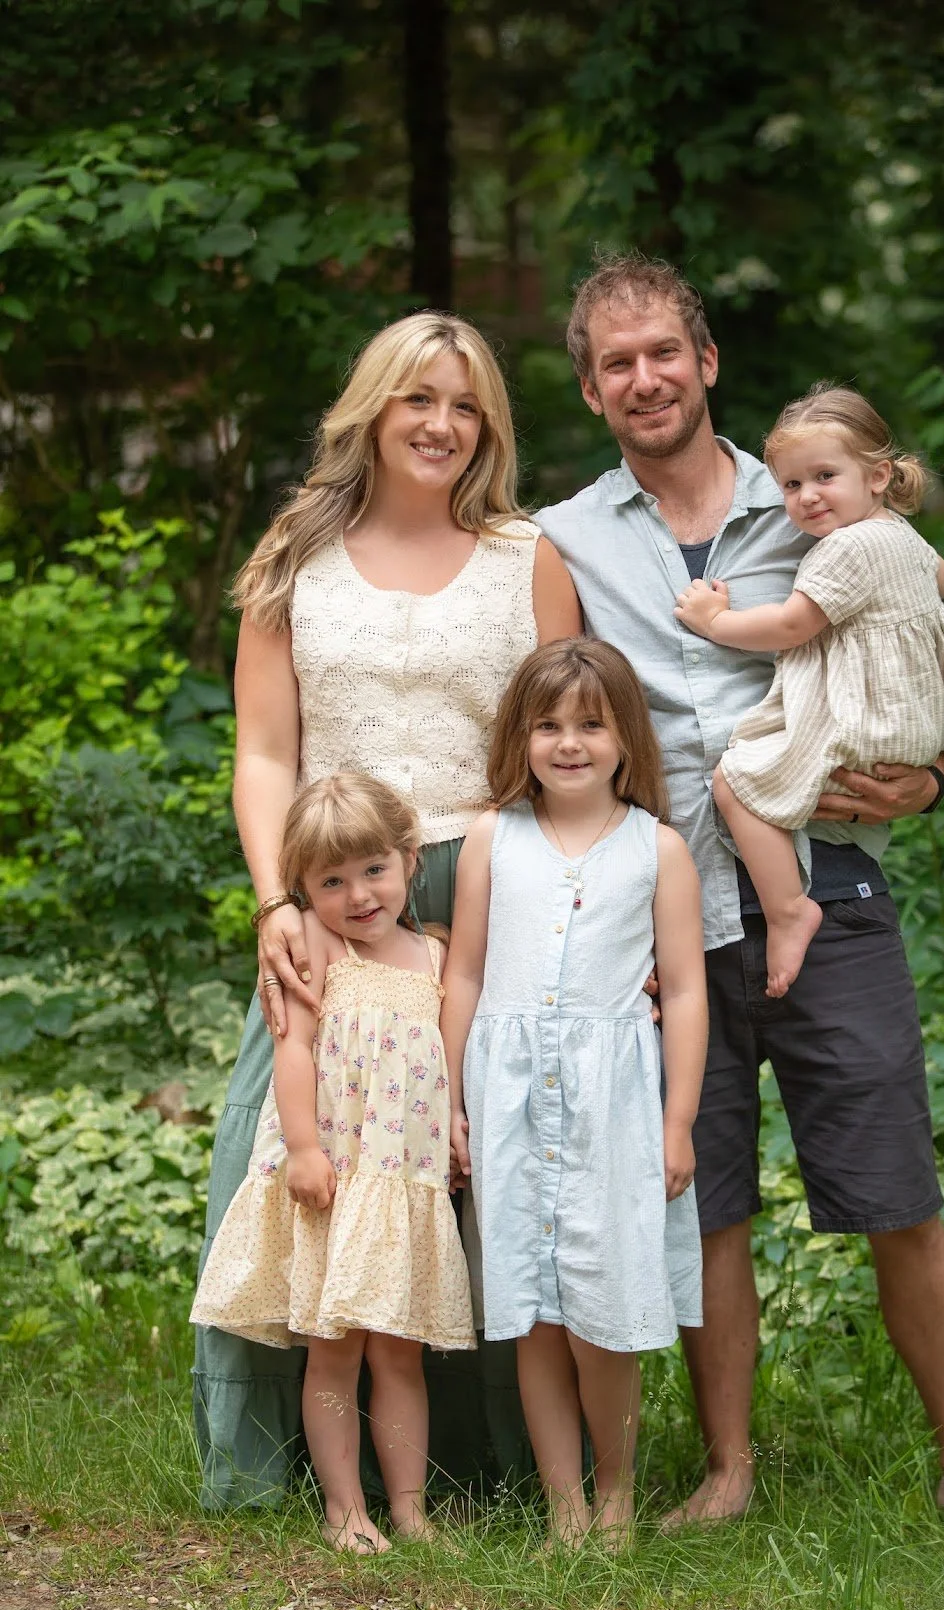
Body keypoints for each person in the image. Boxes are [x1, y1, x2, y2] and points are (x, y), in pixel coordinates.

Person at [535, 255, 944, 1549]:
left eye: (662, 352)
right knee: (708, 1197)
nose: (643, 377)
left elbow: (917, 646)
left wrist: (923, 781)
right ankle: (729, 1464)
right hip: (661, 922)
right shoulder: (567, 540)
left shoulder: (817, 498)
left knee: (894, 1183)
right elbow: (547, 728)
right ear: (591, 390)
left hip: (828, 888)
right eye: (614, 361)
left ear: (704, 363)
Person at [194, 309, 582, 1509]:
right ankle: (277, 1463)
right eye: (419, 397)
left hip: (478, 882)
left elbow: (558, 746)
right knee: (285, 1148)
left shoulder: (528, 557)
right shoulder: (292, 557)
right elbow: (265, 751)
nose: (442, 424)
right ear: (373, 407)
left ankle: (480, 1469)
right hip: (329, 888)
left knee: (469, 1162)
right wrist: (276, 905)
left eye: (467, 405)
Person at [440, 639, 707, 1544]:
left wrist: (678, 1123)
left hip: (614, 1111)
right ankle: (563, 1508)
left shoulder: (658, 849)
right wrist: (453, 1103)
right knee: (533, 1316)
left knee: (605, 1316)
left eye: (591, 724)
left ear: (625, 737)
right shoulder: (493, 838)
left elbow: (688, 990)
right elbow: (467, 977)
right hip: (511, 1099)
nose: (568, 743)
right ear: (520, 737)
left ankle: (618, 1496)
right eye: (547, 724)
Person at [192, 774, 474, 1550]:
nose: (358, 895)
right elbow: (295, 1052)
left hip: (403, 1188)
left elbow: (443, 1059)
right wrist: (306, 1149)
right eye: (332, 881)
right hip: (338, 1184)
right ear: (302, 891)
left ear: (410, 860)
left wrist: (453, 1119)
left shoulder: (435, 954)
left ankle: (410, 1509)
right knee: (334, 1356)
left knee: (402, 1356)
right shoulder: (318, 946)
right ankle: (344, 1510)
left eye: (374, 870)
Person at [674, 383, 944, 999]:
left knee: (734, 785)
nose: (807, 496)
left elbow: (792, 625)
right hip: (919, 721)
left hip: (865, 723)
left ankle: (790, 908)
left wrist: (714, 621)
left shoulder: (844, 548)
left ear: (877, 476)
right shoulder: (900, 534)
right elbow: (943, 582)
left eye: (824, 476)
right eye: (791, 485)